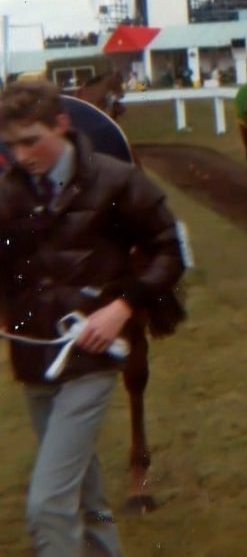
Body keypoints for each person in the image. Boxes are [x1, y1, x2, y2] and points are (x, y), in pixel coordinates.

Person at [0, 79, 186, 557]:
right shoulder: (7, 195)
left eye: (30, 140)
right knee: (86, 493)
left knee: (47, 506)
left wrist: (122, 306)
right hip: (33, 360)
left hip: (93, 355)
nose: (21, 155)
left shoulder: (117, 180)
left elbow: (170, 250)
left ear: (61, 124)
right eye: (10, 144)